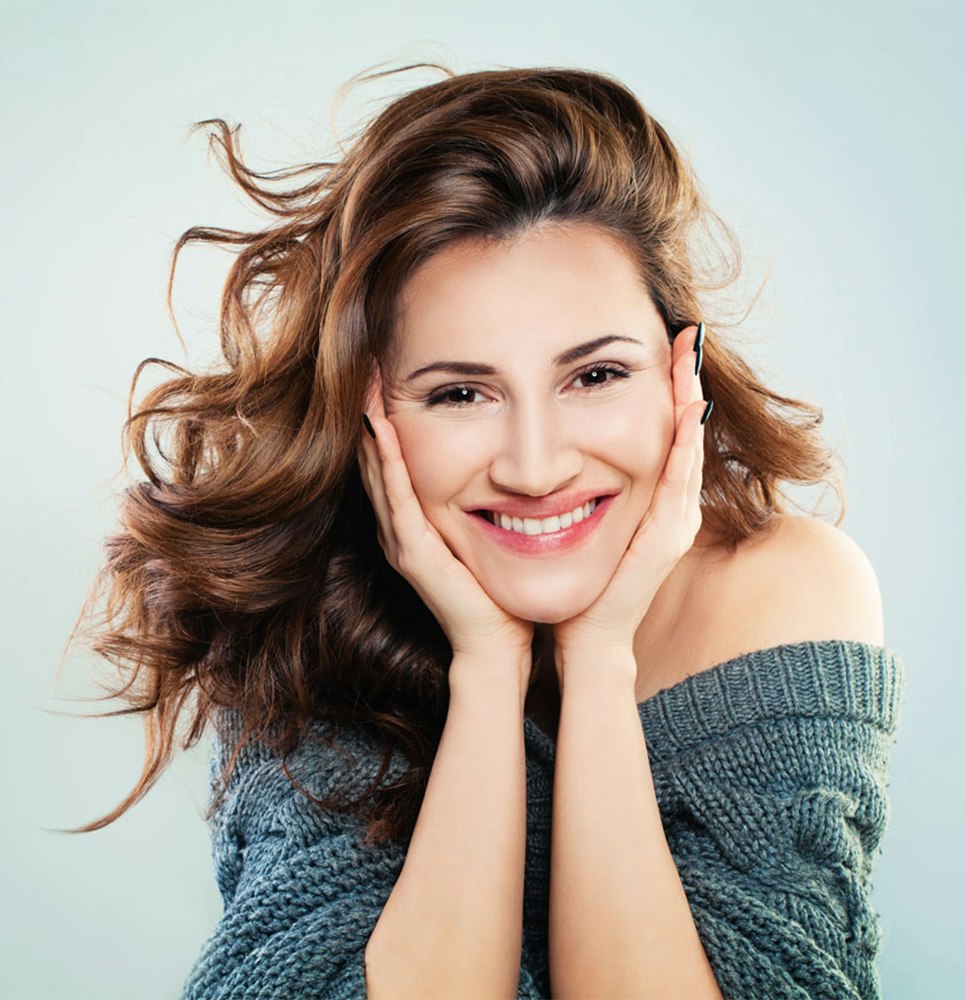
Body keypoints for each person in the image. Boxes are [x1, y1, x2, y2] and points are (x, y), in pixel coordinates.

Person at [65, 62, 904, 999]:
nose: (536, 469)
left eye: (595, 376)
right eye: (461, 394)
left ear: (682, 371)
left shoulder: (783, 589)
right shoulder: (306, 612)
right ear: (369, 412)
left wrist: (599, 663)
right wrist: (487, 671)